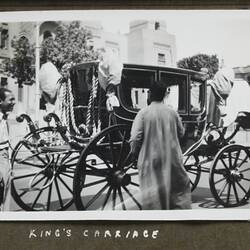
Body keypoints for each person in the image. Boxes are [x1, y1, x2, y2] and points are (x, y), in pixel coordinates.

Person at [129, 81, 191, 210]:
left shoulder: (143, 113)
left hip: (151, 162)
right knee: (176, 197)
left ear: (150, 94)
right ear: (164, 95)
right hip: (172, 160)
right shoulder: (172, 113)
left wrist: (134, 154)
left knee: (154, 200)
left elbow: (135, 138)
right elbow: (181, 133)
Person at [0, 87, 16, 211]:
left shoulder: (5, 118)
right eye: (10, 100)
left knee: (5, 191)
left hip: (5, 156)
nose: (14, 102)